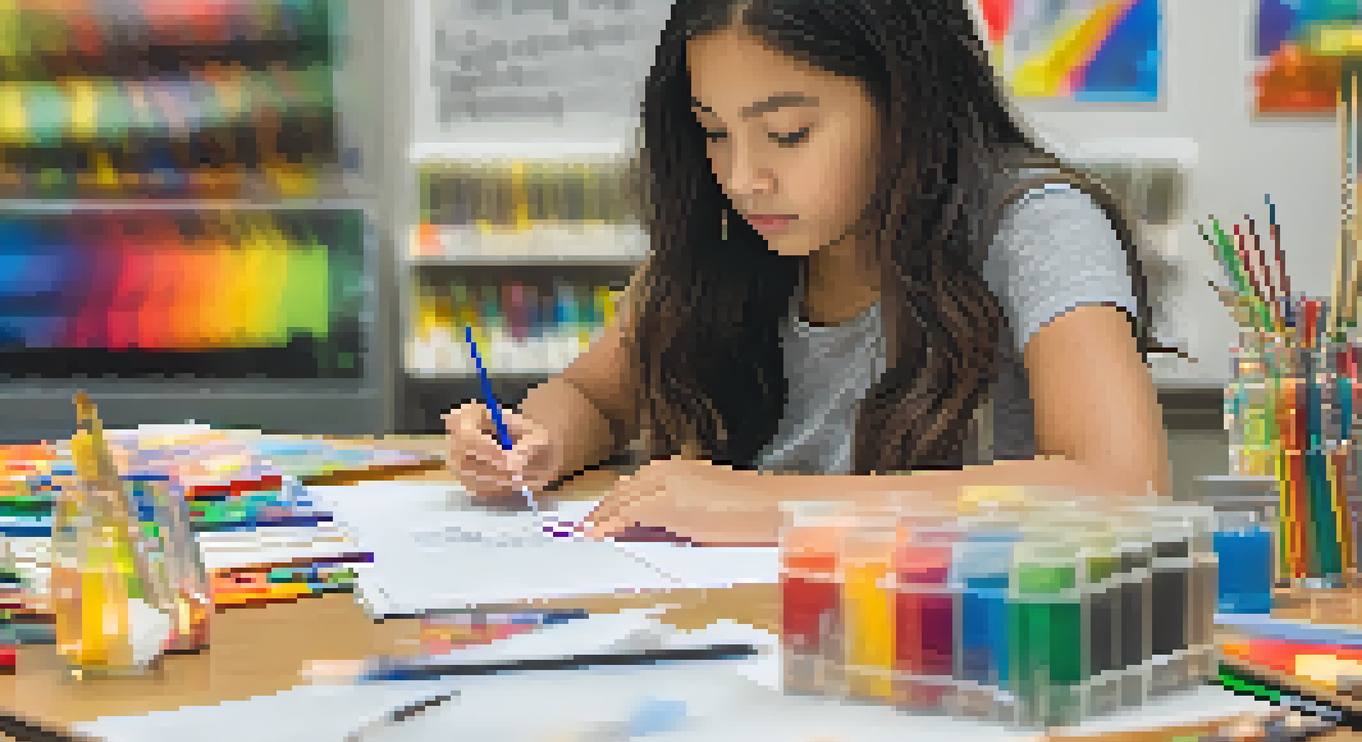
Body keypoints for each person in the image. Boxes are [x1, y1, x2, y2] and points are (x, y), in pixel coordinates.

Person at [443, 0, 1174, 545]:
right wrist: (533, 442)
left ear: (907, 102)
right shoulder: (731, 237)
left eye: (787, 134)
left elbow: (1122, 488)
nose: (742, 177)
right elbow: (594, 398)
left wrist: (769, 506)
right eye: (713, 131)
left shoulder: (1034, 222)